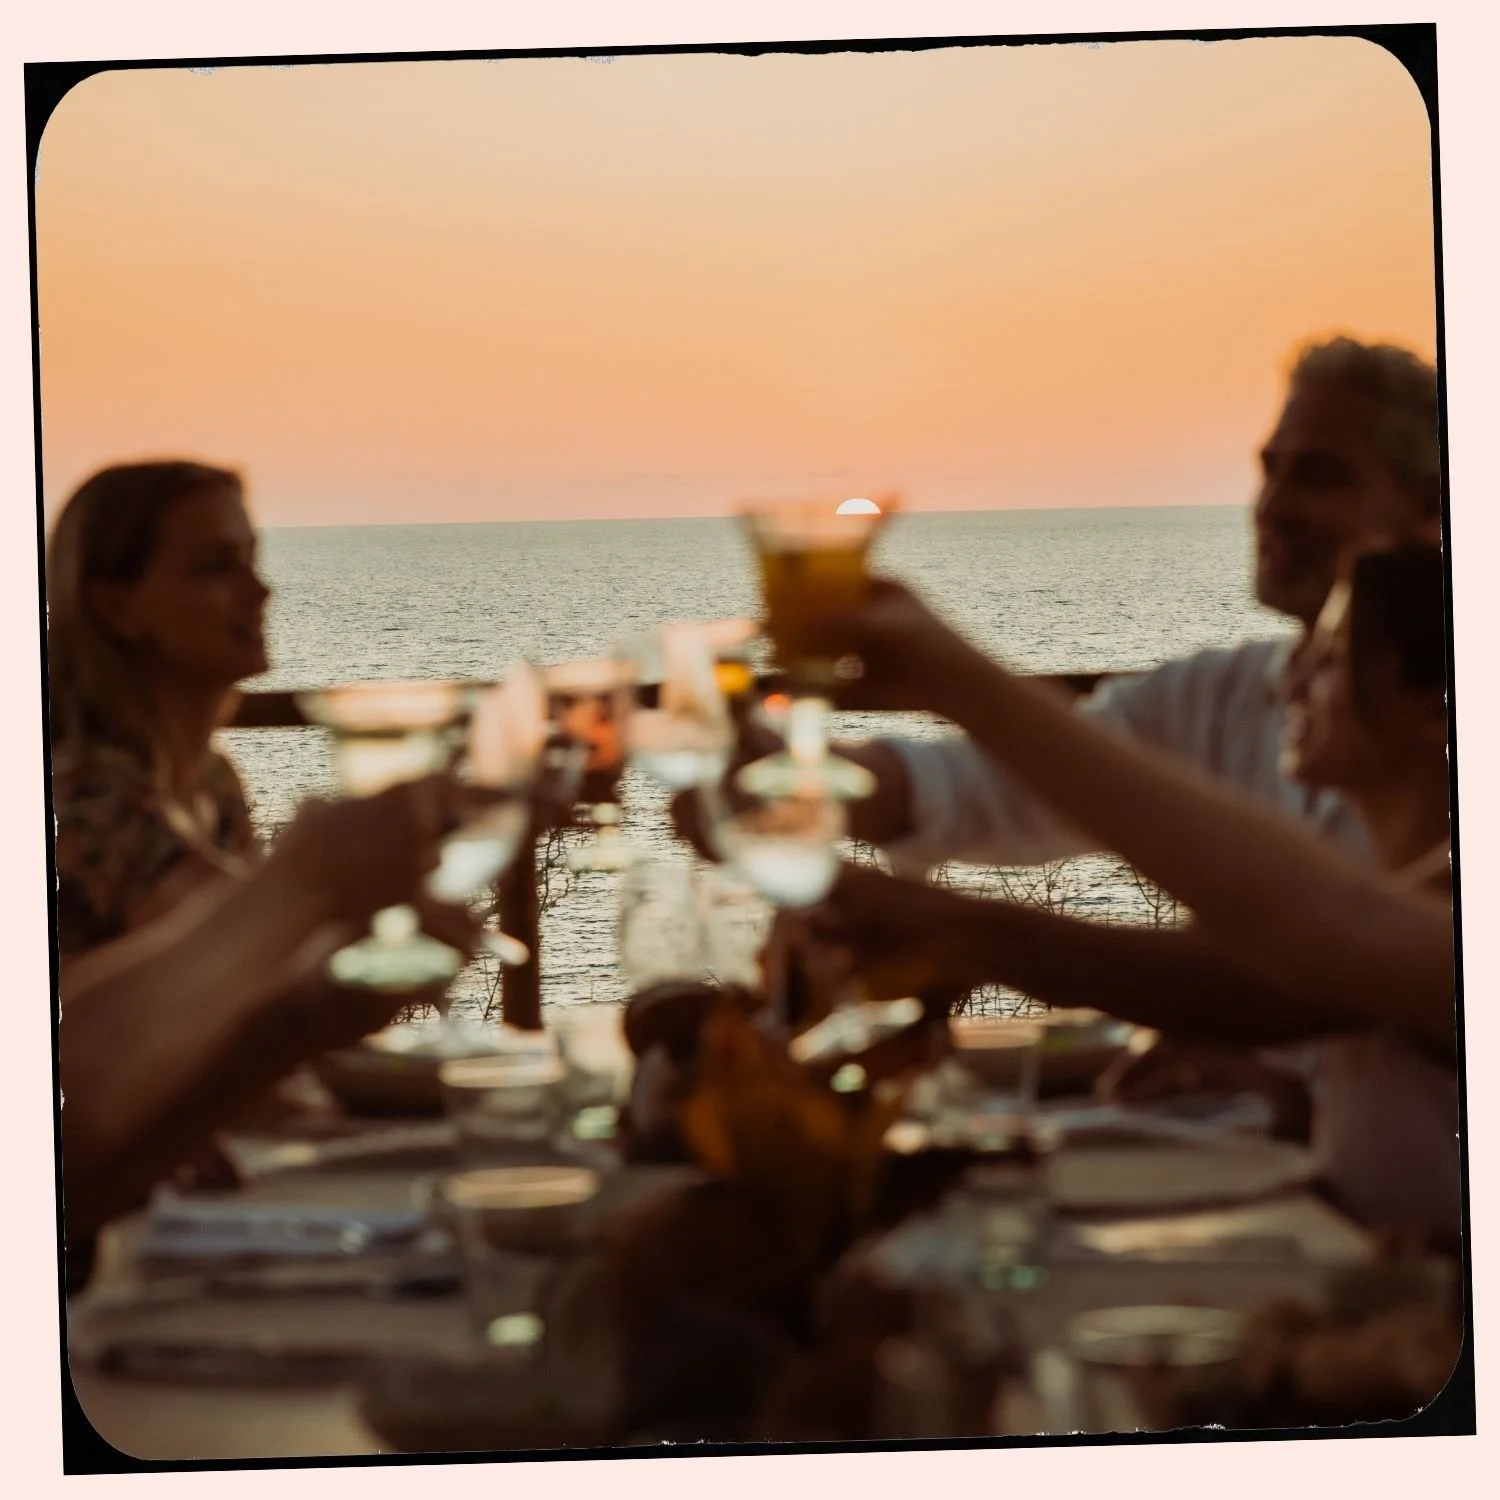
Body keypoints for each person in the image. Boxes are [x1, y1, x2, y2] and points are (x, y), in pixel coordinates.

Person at [807, 549, 1457, 1243]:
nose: (1290, 679)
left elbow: (1303, 953)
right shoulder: (1417, 881)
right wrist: (1282, 1094)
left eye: (1328, 660)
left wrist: (959, 928)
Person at [833, 336, 1442, 871]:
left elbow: (1326, 956)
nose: (1272, 507)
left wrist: (958, 675)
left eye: (1320, 475)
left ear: (1430, 506)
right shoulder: (1220, 697)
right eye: (1270, 471)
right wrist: (779, 773)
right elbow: (987, 787)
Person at [60, 777, 471, 1288]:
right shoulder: (65, 777)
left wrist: (303, 1023)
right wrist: (304, 880)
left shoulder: (210, 777)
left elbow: (81, 1184)